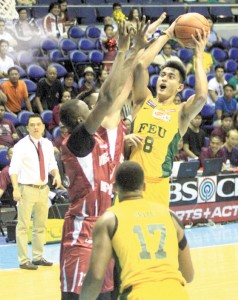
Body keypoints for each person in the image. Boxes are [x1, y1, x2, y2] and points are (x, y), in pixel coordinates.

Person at [59, 18, 159, 300]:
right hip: (82, 231)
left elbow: (122, 88)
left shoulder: (106, 135)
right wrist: (123, 49)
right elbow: (106, 97)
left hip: (108, 227)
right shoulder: (75, 142)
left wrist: (135, 51)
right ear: (82, 118)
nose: (98, 107)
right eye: (89, 107)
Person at [80, 161, 194, 300]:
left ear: (115, 188)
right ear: (144, 186)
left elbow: (96, 276)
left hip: (138, 294)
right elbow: (189, 275)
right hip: (177, 294)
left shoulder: (109, 220)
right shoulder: (170, 215)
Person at [128, 19, 208, 207]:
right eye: (162, 74)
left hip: (158, 184)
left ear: (180, 87)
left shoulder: (181, 112)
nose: (164, 77)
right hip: (130, 182)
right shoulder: (143, 100)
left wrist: (198, 54)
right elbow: (140, 66)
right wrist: (168, 35)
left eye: (171, 76)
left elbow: (202, 96)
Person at [9, 114, 61, 270]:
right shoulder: (20, 146)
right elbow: (13, 169)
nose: (36, 127)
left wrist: (57, 174)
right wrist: (16, 189)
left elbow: (52, 164)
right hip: (26, 189)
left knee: (40, 225)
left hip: (43, 189)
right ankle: (24, 260)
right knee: (23, 226)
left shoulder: (47, 144)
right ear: (27, 127)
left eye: (38, 124)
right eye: (32, 125)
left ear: (43, 127)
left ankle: (38, 257)